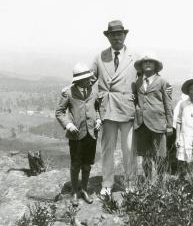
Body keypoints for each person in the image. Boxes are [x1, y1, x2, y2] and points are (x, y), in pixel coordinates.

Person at [91, 20, 140, 195]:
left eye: (119, 34)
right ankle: (107, 183)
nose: (116, 37)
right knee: (107, 148)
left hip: (127, 109)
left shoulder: (135, 58)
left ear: (124, 35)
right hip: (107, 109)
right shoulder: (100, 57)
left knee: (128, 148)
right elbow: (90, 80)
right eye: (113, 35)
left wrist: (138, 98)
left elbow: (143, 80)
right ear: (108, 37)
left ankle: (131, 183)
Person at [55, 62, 102, 206]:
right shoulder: (68, 93)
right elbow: (59, 112)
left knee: (87, 164)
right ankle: (75, 192)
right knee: (75, 165)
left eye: (90, 77)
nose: (90, 80)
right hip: (76, 136)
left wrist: (99, 119)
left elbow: (98, 108)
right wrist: (68, 125)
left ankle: (84, 190)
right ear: (78, 80)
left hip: (91, 134)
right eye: (87, 78)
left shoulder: (93, 92)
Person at [133, 53, 173, 179]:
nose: (148, 63)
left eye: (151, 61)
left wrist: (170, 125)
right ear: (141, 66)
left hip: (158, 123)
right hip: (141, 124)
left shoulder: (162, 82)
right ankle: (148, 182)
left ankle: (161, 183)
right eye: (145, 62)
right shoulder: (137, 82)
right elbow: (135, 100)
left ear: (156, 66)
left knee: (159, 155)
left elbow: (168, 104)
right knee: (145, 155)